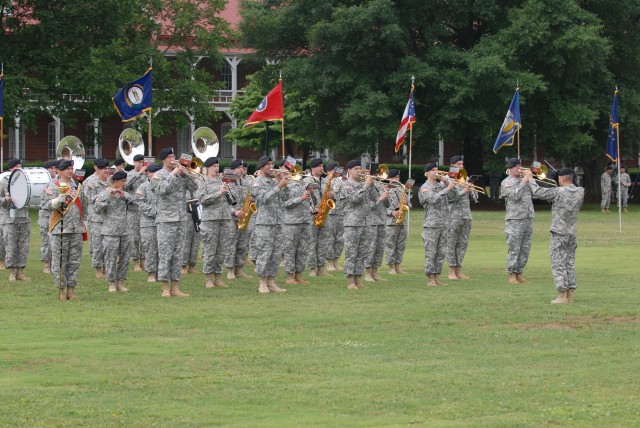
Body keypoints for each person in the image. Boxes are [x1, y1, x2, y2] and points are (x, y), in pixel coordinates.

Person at [529, 168, 584, 304]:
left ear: (562, 179)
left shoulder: (559, 192)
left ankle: (562, 295)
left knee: (558, 263)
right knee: (569, 263)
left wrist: (530, 178)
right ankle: (570, 294)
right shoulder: (579, 191)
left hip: (559, 232)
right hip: (571, 232)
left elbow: (538, 192)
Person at [154, 147, 199, 297]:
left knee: (178, 254)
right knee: (166, 254)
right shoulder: (158, 175)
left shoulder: (181, 175)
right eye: (170, 157)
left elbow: (195, 187)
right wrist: (173, 174)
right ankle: (165, 287)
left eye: (174, 156)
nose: (173, 159)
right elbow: (162, 190)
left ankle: (175, 286)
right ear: (164, 159)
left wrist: (185, 173)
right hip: (166, 220)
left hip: (181, 219)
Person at [41, 159, 87, 300]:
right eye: (67, 169)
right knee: (59, 261)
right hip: (60, 229)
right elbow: (46, 204)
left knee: (74, 261)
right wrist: (56, 201)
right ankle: (61, 289)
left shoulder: (78, 187)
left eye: (71, 168)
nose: (70, 171)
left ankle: (71, 289)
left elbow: (84, 205)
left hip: (76, 229)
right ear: (59, 171)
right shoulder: (52, 186)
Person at [251, 155, 289, 293]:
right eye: (267, 164)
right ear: (261, 166)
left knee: (276, 253)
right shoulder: (257, 182)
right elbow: (263, 198)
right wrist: (279, 186)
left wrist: (282, 184)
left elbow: (286, 197)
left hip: (278, 222)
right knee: (264, 253)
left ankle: (271, 281)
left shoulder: (275, 181)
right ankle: (262, 282)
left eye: (272, 164)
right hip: (265, 223)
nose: (271, 167)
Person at [94, 170, 134, 293]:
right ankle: (111, 282)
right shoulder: (104, 193)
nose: (124, 183)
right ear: (115, 181)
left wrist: (124, 197)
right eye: (122, 181)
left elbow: (135, 206)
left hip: (124, 230)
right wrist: (108, 198)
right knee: (110, 258)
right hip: (110, 231)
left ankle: (121, 282)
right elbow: (96, 208)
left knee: (125, 258)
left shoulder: (125, 194)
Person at [342, 160, 378, 289]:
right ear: (349, 170)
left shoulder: (365, 184)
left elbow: (375, 198)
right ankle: (350, 280)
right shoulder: (346, 185)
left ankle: (358, 278)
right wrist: (365, 186)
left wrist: (371, 185)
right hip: (352, 223)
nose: (359, 171)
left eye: (360, 168)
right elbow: (354, 199)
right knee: (351, 253)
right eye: (356, 168)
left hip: (366, 222)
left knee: (362, 253)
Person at [500, 158, 536, 284]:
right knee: (514, 248)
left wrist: (530, 178)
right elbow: (515, 196)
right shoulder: (506, 182)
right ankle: (512, 275)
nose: (520, 169)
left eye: (521, 166)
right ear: (510, 168)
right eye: (517, 167)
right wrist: (524, 181)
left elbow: (536, 193)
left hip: (527, 217)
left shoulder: (524, 180)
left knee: (525, 248)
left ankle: (519, 273)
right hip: (514, 219)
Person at [419, 162, 455, 286]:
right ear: (426, 173)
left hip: (444, 224)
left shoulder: (441, 186)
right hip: (431, 225)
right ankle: (430, 278)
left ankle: (437, 277)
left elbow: (454, 197)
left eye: (437, 169)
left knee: (441, 252)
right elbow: (432, 199)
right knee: (431, 252)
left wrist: (448, 185)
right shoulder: (425, 187)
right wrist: (447, 188)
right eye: (433, 170)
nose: (436, 172)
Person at [199, 157, 233, 289]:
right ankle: (208, 278)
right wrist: (218, 193)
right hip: (210, 220)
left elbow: (228, 201)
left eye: (217, 166)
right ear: (208, 167)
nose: (216, 168)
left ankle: (218, 277)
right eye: (213, 166)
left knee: (222, 250)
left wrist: (226, 190)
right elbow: (202, 199)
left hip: (224, 218)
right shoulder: (203, 181)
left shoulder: (221, 180)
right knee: (210, 250)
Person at [0, 159, 31, 281]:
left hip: (23, 218)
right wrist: (6, 200)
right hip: (9, 219)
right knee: (10, 246)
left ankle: (21, 271)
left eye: (21, 166)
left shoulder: (26, 181)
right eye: (17, 166)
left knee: (23, 246)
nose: (20, 168)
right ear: (11, 169)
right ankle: (12, 272)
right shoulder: (4, 181)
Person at [281, 165, 312, 285]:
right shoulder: (286, 185)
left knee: (302, 250)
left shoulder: (303, 184)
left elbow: (309, 201)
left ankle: (299, 275)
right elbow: (284, 203)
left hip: (305, 221)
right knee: (290, 250)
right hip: (291, 222)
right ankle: (289, 276)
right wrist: (300, 198)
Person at [446, 155, 475, 280]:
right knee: (452, 243)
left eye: (462, 164)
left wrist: (472, 189)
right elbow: (451, 198)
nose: (461, 166)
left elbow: (473, 197)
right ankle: (451, 271)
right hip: (453, 215)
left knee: (463, 243)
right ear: (452, 165)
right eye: (458, 164)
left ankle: (459, 270)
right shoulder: (447, 179)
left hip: (466, 215)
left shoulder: (465, 177)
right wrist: (464, 191)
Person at [224, 159, 253, 280]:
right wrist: (234, 211)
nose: (241, 170)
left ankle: (239, 269)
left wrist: (251, 201)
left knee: (243, 244)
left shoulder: (246, 182)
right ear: (232, 170)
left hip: (244, 216)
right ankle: (230, 270)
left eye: (242, 167)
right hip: (231, 217)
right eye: (238, 168)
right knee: (231, 244)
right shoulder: (226, 182)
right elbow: (224, 202)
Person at [83, 158, 110, 278]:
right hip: (96, 218)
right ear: (96, 169)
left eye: (107, 168)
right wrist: (107, 196)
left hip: (109, 217)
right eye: (104, 168)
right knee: (97, 244)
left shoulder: (110, 181)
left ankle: (107, 267)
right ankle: (98, 268)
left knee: (108, 244)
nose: (106, 170)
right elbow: (92, 200)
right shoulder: (90, 182)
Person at [135, 163, 162, 282]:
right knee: (150, 248)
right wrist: (156, 211)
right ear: (149, 174)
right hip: (148, 223)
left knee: (162, 249)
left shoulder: (162, 186)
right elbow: (139, 203)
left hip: (163, 222)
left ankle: (161, 273)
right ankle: (151, 273)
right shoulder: (143, 187)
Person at [307, 158, 334, 277]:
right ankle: (313, 268)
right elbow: (306, 197)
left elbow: (330, 198)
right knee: (312, 242)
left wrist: (331, 196)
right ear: (313, 167)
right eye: (319, 166)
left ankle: (321, 267)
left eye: (322, 166)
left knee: (323, 242)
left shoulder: (325, 180)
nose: (321, 168)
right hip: (312, 215)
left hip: (324, 214)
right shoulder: (307, 180)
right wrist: (312, 209)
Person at [364, 164, 390, 282]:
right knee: (371, 248)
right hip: (371, 221)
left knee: (379, 248)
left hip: (381, 220)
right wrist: (380, 199)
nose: (377, 175)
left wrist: (386, 196)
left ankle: (375, 272)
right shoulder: (366, 186)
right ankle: (368, 273)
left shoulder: (380, 185)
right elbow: (367, 206)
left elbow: (388, 205)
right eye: (375, 173)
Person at [124, 154, 148, 271]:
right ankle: (135, 261)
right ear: (134, 163)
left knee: (144, 237)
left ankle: (143, 260)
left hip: (144, 211)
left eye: (142, 162)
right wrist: (139, 174)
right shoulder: (129, 175)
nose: (141, 164)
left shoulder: (147, 175)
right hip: (133, 211)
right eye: (138, 162)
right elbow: (125, 186)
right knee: (134, 238)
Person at [384, 169, 411, 274]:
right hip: (391, 222)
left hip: (402, 220)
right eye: (395, 178)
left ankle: (398, 265)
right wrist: (391, 212)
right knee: (391, 244)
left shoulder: (401, 189)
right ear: (389, 179)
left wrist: (406, 202)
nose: (397, 179)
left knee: (400, 244)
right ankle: (391, 267)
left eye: (398, 178)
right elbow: (380, 206)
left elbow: (409, 205)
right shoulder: (385, 190)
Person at [38, 160, 58, 273]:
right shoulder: (42, 183)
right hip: (45, 215)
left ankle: (55, 263)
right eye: (51, 168)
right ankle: (46, 264)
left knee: (55, 240)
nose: (53, 170)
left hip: (55, 215)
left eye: (54, 168)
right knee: (46, 240)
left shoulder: (57, 183)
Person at [325, 162, 345, 271]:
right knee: (330, 238)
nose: (337, 172)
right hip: (331, 212)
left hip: (341, 212)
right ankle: (329, 262)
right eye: (335, 170)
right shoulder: (326, 180)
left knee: (340, 238)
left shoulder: (340, 181)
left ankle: (336, 260)